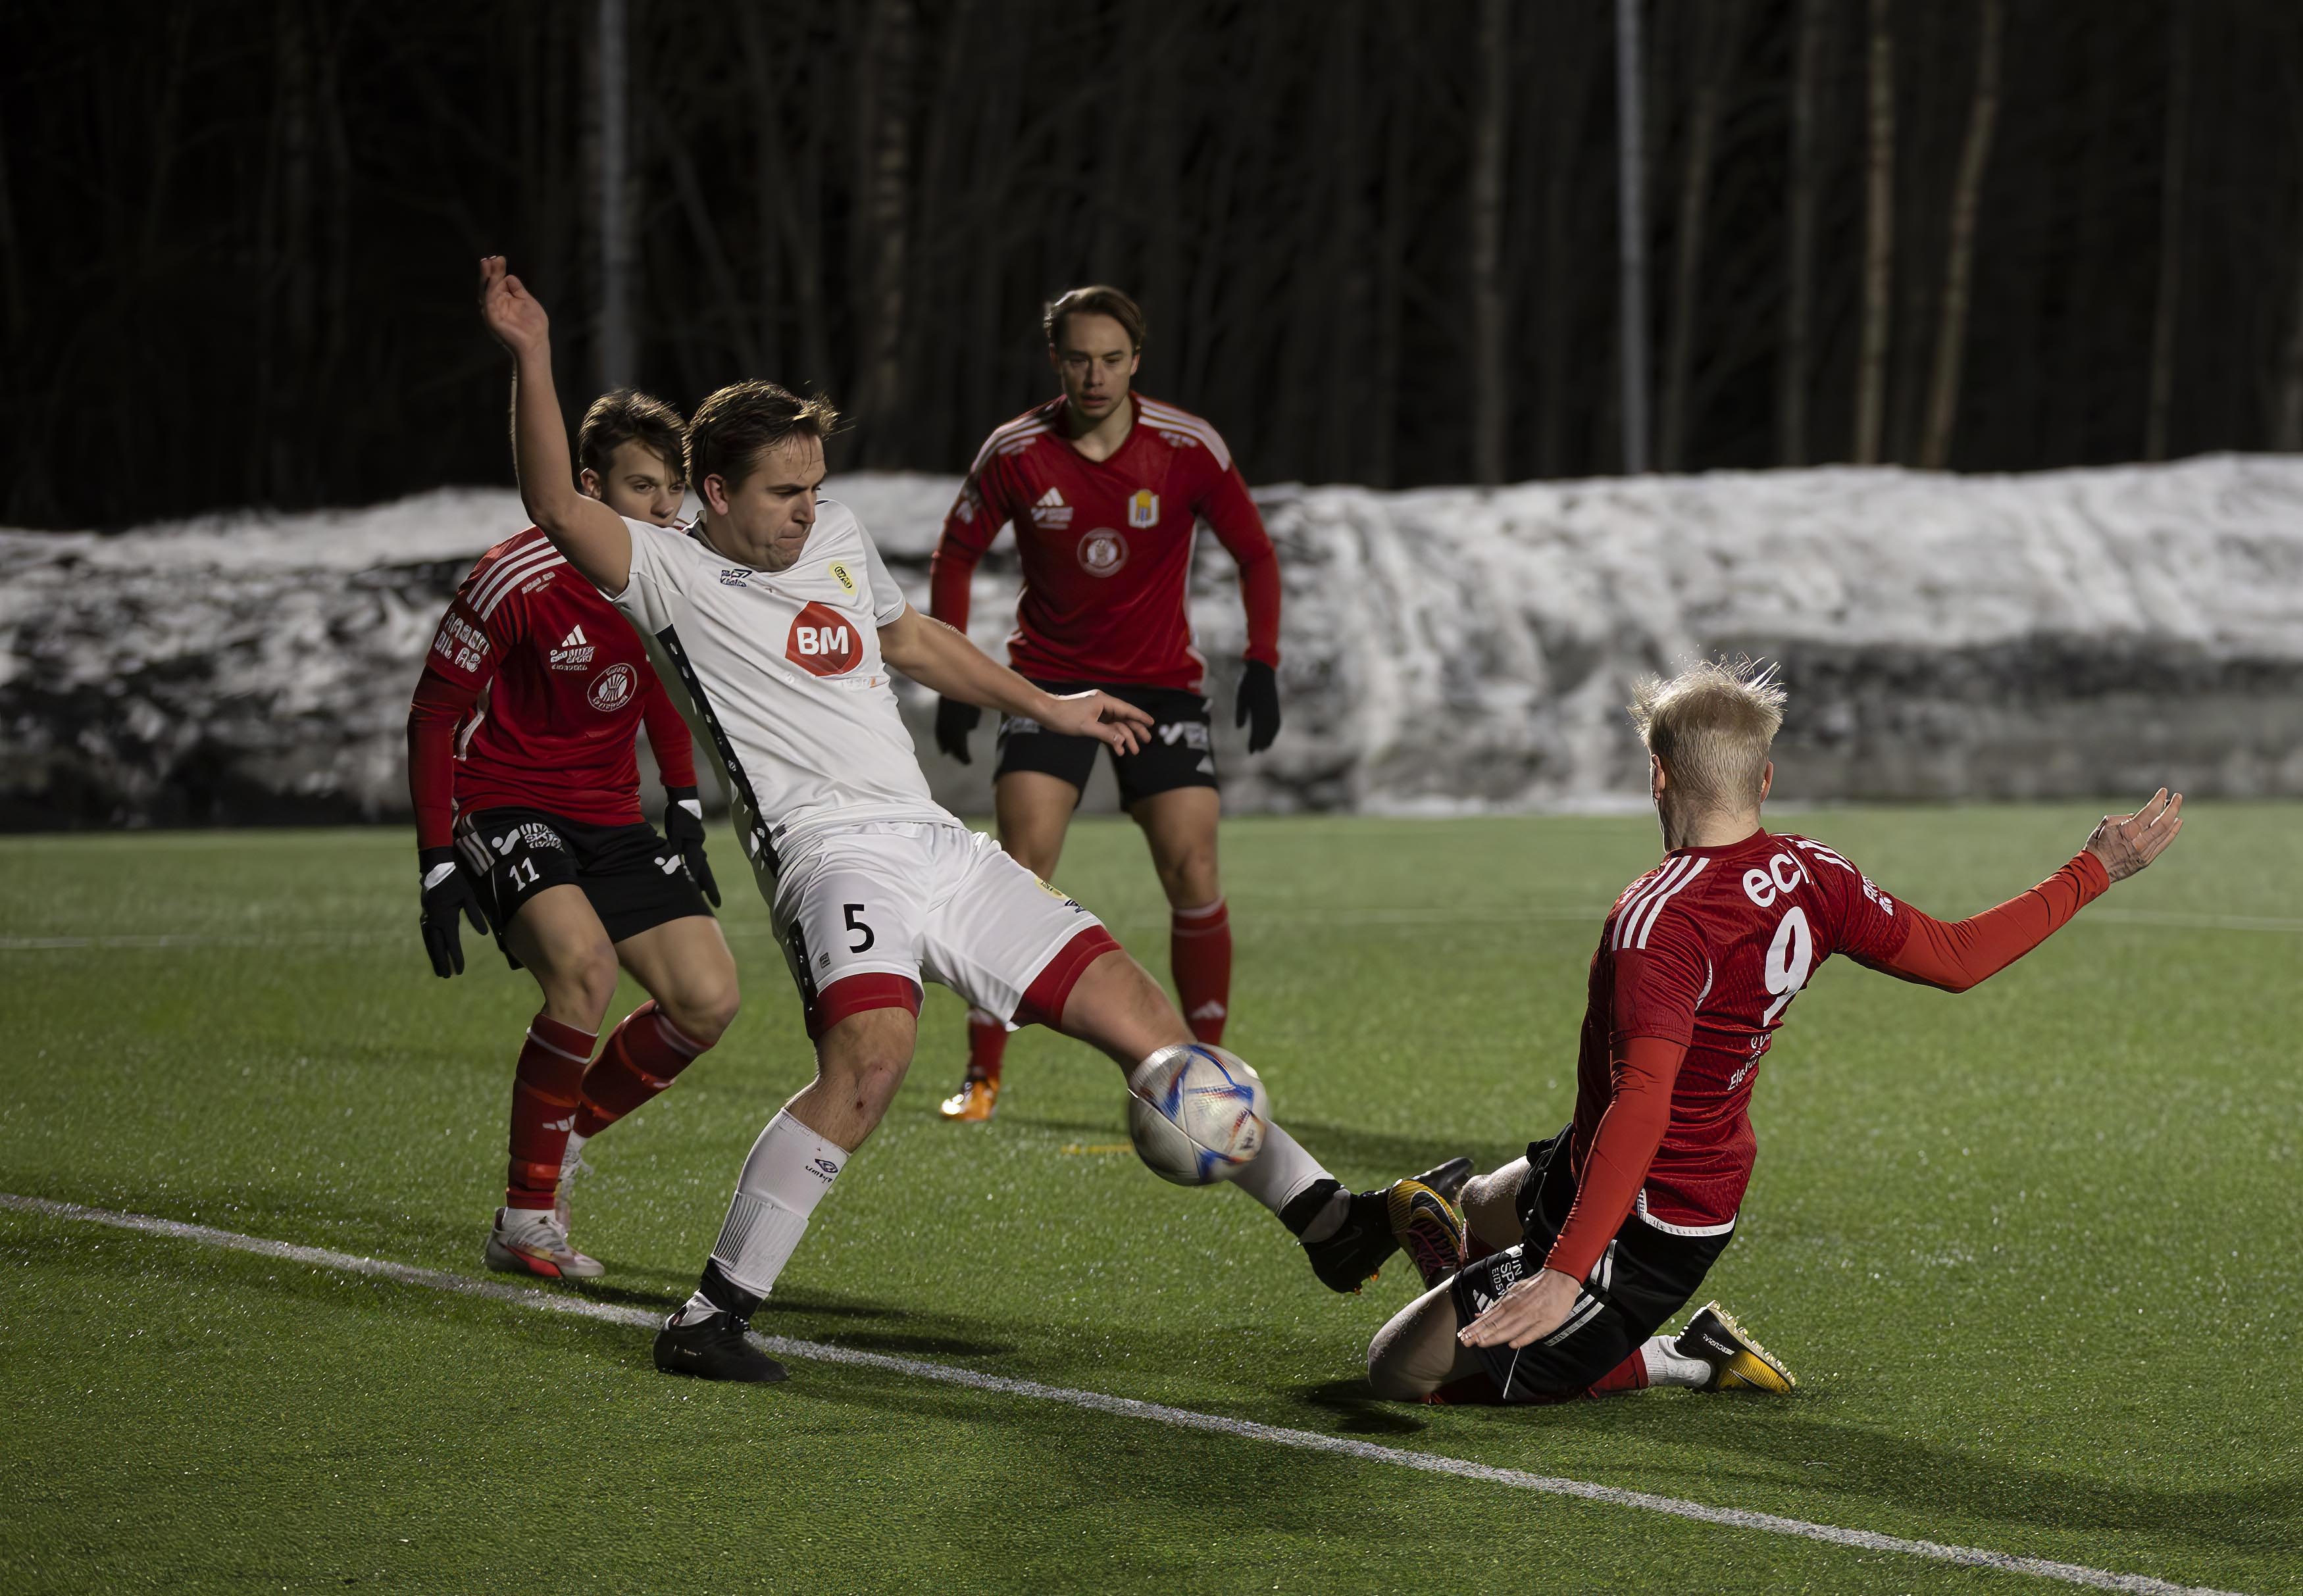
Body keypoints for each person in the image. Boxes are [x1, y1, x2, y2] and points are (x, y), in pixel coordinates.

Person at [474, 256, 1461, 1383]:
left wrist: (1051, 704)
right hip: (827, 856)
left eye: (815, 485)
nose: (808, 509)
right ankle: (710, 1317)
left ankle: (1330, 1223)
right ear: (714, 493)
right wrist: (533, 353)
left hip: (933, 841)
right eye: (784, 492)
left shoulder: (835, 536)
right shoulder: (664, 571)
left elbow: (908, 638)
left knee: (1140, 1012)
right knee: (872, 1059)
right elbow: (555, 504)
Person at [1365, 660, 2184, 1405]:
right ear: (1763, 777)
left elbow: (1643, 1101)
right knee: (1479, 1203)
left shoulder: (1660, 918)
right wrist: (2093, 868)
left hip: (1652, 1217)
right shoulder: (1815, 873)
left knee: (1394, 1370)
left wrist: (1562, 1273)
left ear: (1656, 774)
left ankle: (1674, 1354)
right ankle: (1508, 1305)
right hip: (1603, 1159)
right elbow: (1956, 956)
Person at [407, 387, 740, 1282]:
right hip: (504, 800)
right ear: (589, 486)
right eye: (641, 486)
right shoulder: (516, 575)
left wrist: (684, 801)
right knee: (584, 971)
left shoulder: (672, 565)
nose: (663, 508)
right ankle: (524, 1219)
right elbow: (434, 713)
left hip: (610, 814)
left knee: (707, 1000)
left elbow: (664, 683)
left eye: (672, 488)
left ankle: (566, 1139)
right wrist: (436, 860)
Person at [926, 286, 1282, 1122]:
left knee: (1193, 868)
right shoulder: (1016, 451)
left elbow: (1254, 553)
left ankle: (1207, 1071)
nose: (1096, 376)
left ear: (1136, 360)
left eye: (1112, 359)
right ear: (1056, 360)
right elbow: (956, 553)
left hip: (1159, 686)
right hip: (1046, 681)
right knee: (1020, 871)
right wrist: (954, 674)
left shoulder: (1185, 447)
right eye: (1080, 359)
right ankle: (981, 1074)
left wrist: (1261, 662)